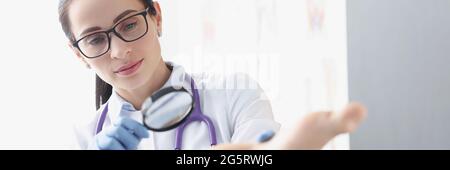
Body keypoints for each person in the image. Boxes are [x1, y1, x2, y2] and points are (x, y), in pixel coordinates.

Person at [58, 0, 367, 150]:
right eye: (96, 39)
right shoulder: (81, 140)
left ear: (157, 17)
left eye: (129, 25)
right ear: (78, 54)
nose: (118, 50)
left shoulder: (234, 94)